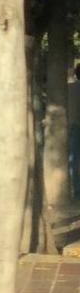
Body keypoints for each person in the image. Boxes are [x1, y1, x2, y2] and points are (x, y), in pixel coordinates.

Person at [70, 65, 80, 198]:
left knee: (72, 158)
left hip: (70, 125)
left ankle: (76, 187)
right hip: (77, 125)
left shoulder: (69, 87)